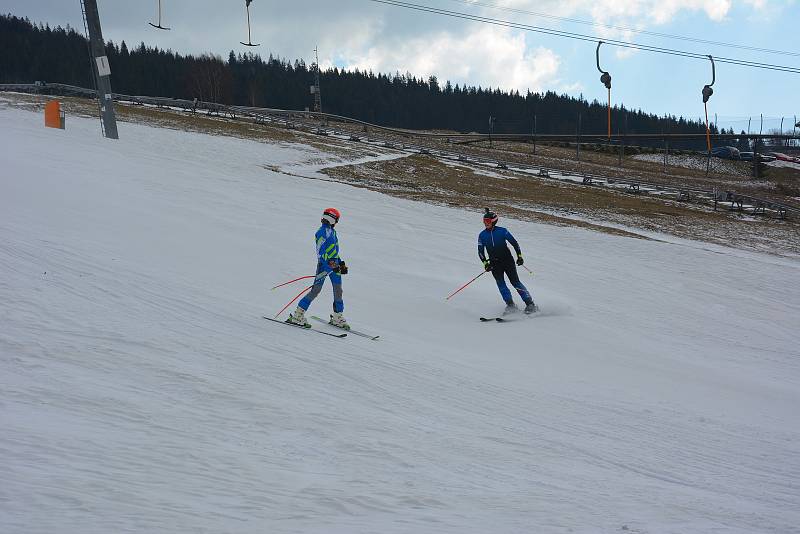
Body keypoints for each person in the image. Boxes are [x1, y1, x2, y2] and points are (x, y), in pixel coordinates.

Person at [287, 208, 350, 329]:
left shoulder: (332, 231)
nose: (336, 223)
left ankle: (337, 316)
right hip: (324, 266)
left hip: (334, 265)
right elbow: (320, 253)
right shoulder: (321, 232)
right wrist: (330, 265)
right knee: (316, 290)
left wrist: (340, 263)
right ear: (332, 219)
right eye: (336, 220)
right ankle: (297, 315)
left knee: (338, 291)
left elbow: (334, 251)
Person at [477, 208, 537, 314]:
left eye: (488, 221)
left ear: (494, 221)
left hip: (507, 261)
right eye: (484, 221)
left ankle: (530, 304)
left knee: (515, 282)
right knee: (501, 284)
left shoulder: (502, 231)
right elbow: (480, 252)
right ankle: (510, 305)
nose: (486, 223)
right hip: (494, 264)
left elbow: (515, 243)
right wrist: (486, 264)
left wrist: (519, 257)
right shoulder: (482, 235)